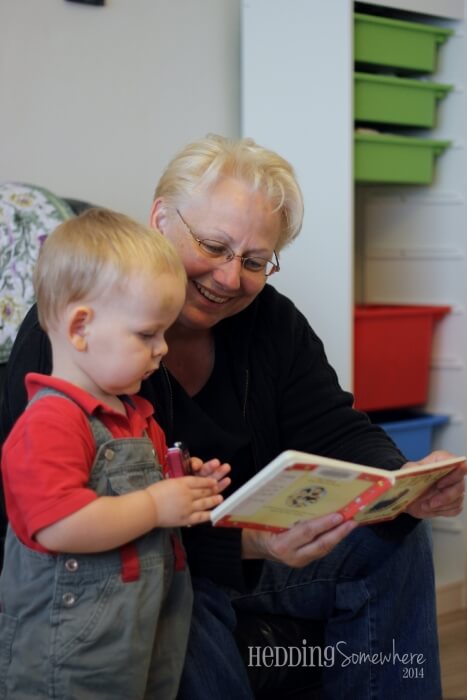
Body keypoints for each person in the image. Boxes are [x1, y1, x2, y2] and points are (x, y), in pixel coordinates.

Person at [0, 135, 465, 699]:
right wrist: (246, 543)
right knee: (177, 600)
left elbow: (335, 427)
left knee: (396, 536)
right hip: (154, 563)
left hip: (254, 550)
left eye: (252, 261)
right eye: (214, 245)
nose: (228, 278)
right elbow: (47, 517)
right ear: (160, 218)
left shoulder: (272, 322)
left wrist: (403, 481)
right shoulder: (76, 340)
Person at [0, 208, 230, 700]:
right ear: (80, 327)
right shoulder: (51, 422)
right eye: (147, 334)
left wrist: (184, 483)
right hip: (70, 651)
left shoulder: (135, 415)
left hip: (143, 630)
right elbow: (58, 525)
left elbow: (142, 490)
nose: (163, 349)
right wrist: (155, 506)